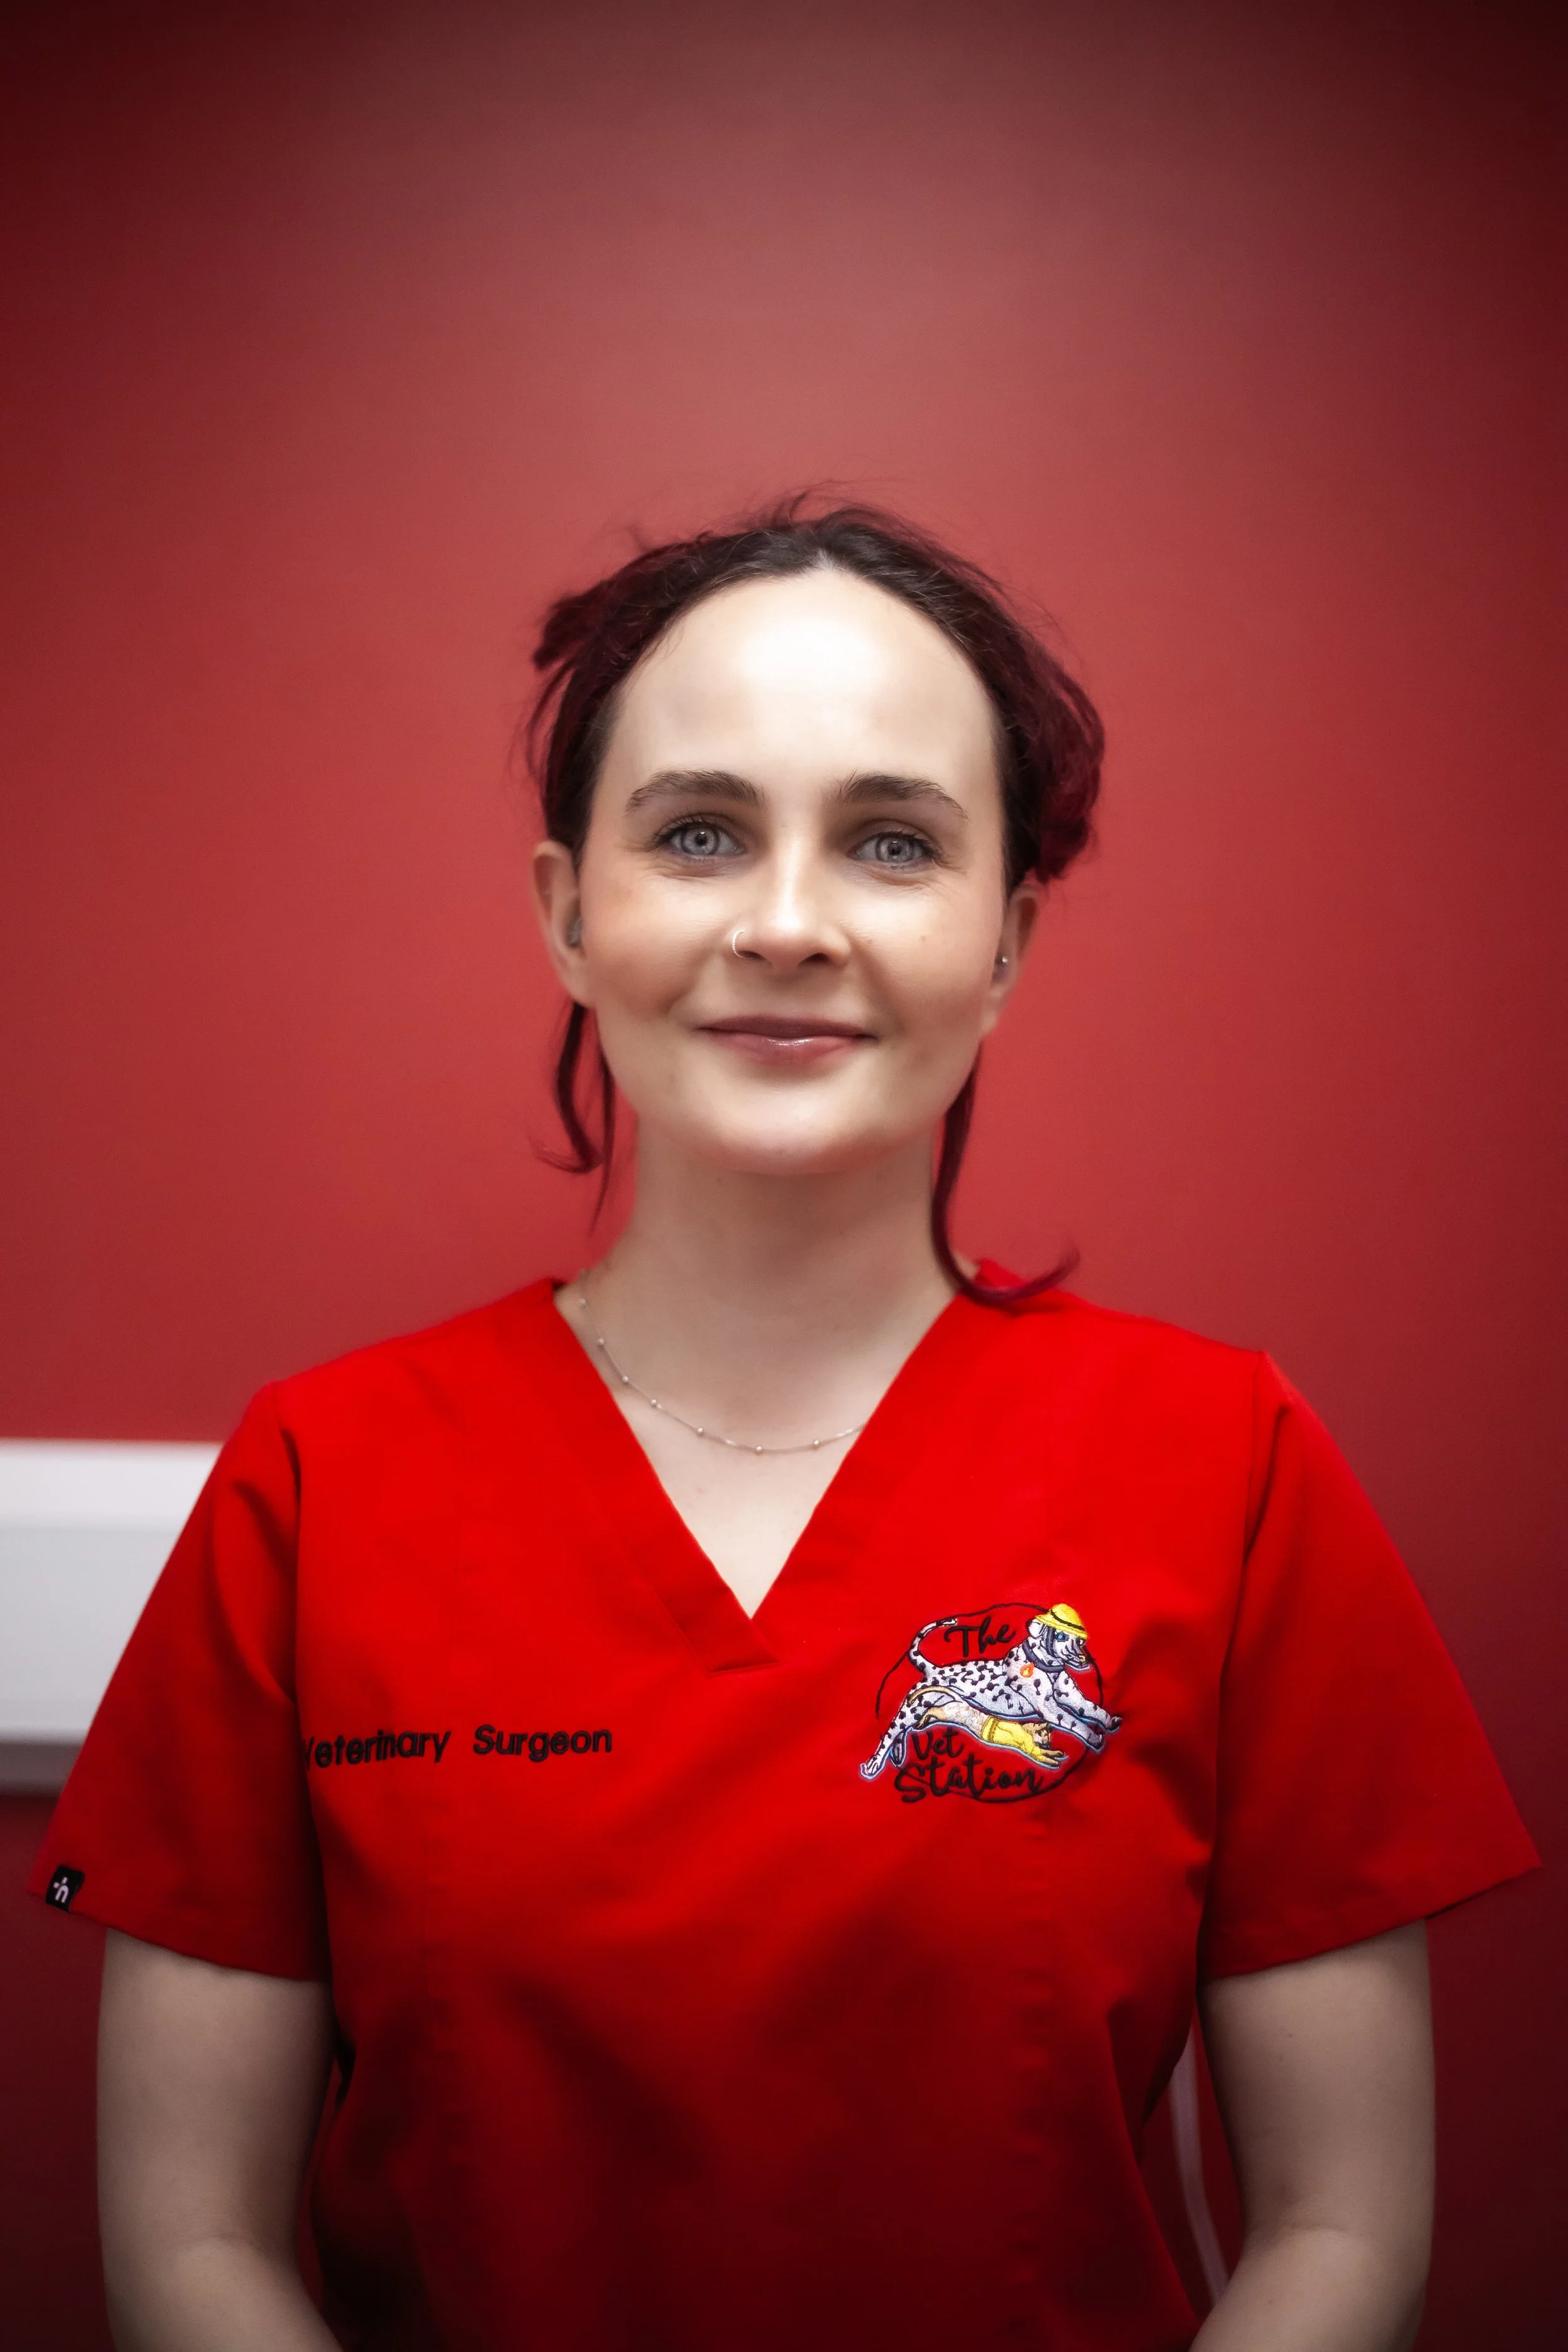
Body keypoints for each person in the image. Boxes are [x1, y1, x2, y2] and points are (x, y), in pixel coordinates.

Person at [31, 502, 1535, 2352]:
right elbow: (192, 2248)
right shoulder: (316, 1479)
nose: (788, 924)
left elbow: (1341, 2226)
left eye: (893, 842)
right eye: (698, 832)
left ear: (1006, 941)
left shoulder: (1229, 1464)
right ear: (569, 913)